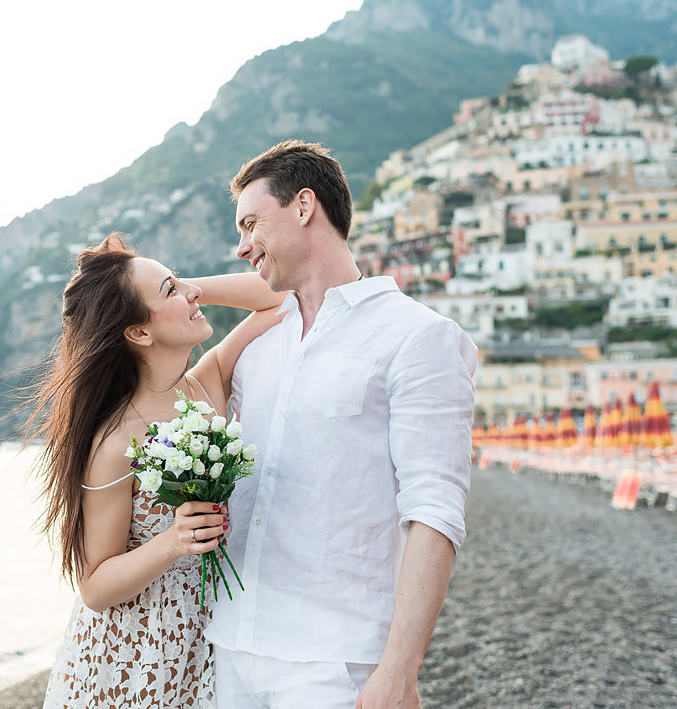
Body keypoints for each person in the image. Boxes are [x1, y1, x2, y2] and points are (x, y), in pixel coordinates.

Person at [207, 140, 477, 709]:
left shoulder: (417, 336)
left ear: (304, 206)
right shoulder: (258, 347)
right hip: (229, 647)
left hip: (336, 661)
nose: (240, 246)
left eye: (251, 224)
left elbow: (433, 511)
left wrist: (400, 670)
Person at [29, 233, 286, 708]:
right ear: (138, 332)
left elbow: (281, 297)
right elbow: (95, 585)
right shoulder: (116, 439)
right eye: (171, 290)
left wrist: (184, 289)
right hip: (130, 657)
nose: (190, 293)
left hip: (206, 642)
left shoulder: (205, 388)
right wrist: (172, 541)